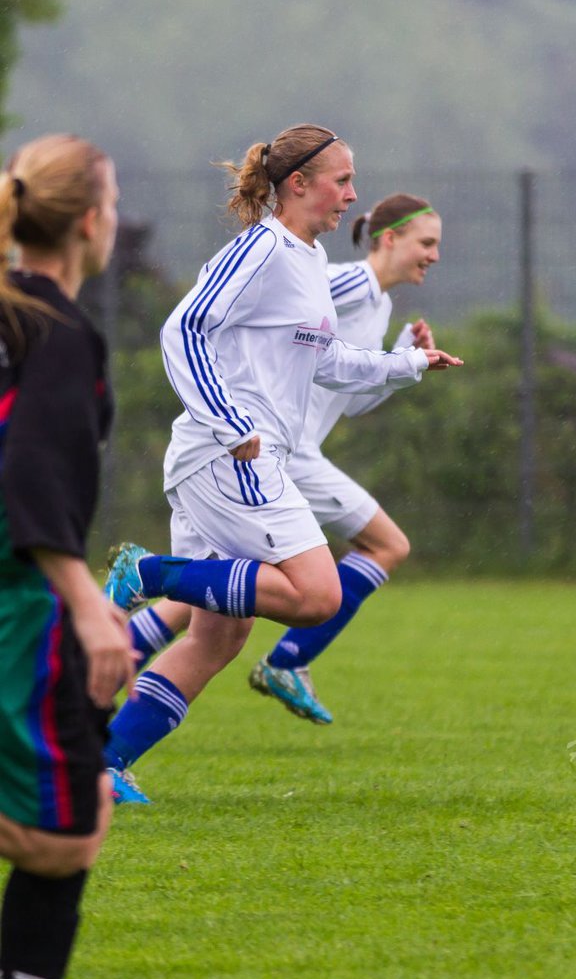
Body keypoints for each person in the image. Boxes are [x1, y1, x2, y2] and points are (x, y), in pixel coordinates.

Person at [103, 127, 461, 804]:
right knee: (317, 595)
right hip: (233, 453)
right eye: (342, 180)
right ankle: (146, 572)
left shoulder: (306, 258)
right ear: (297, 184)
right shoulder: (264, 248)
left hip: (238, 455)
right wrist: (229, 420)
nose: (353, 195)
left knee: (218, 638)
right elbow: (184, 327)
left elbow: (328, 364)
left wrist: (407, 364)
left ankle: (106, 762)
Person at [0, 135, 136, 979]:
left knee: (79, 804)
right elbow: (34, 472)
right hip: (23, 606)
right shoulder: (56, 331)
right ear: (92, 221)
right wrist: (87, 602)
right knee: (65, 833)